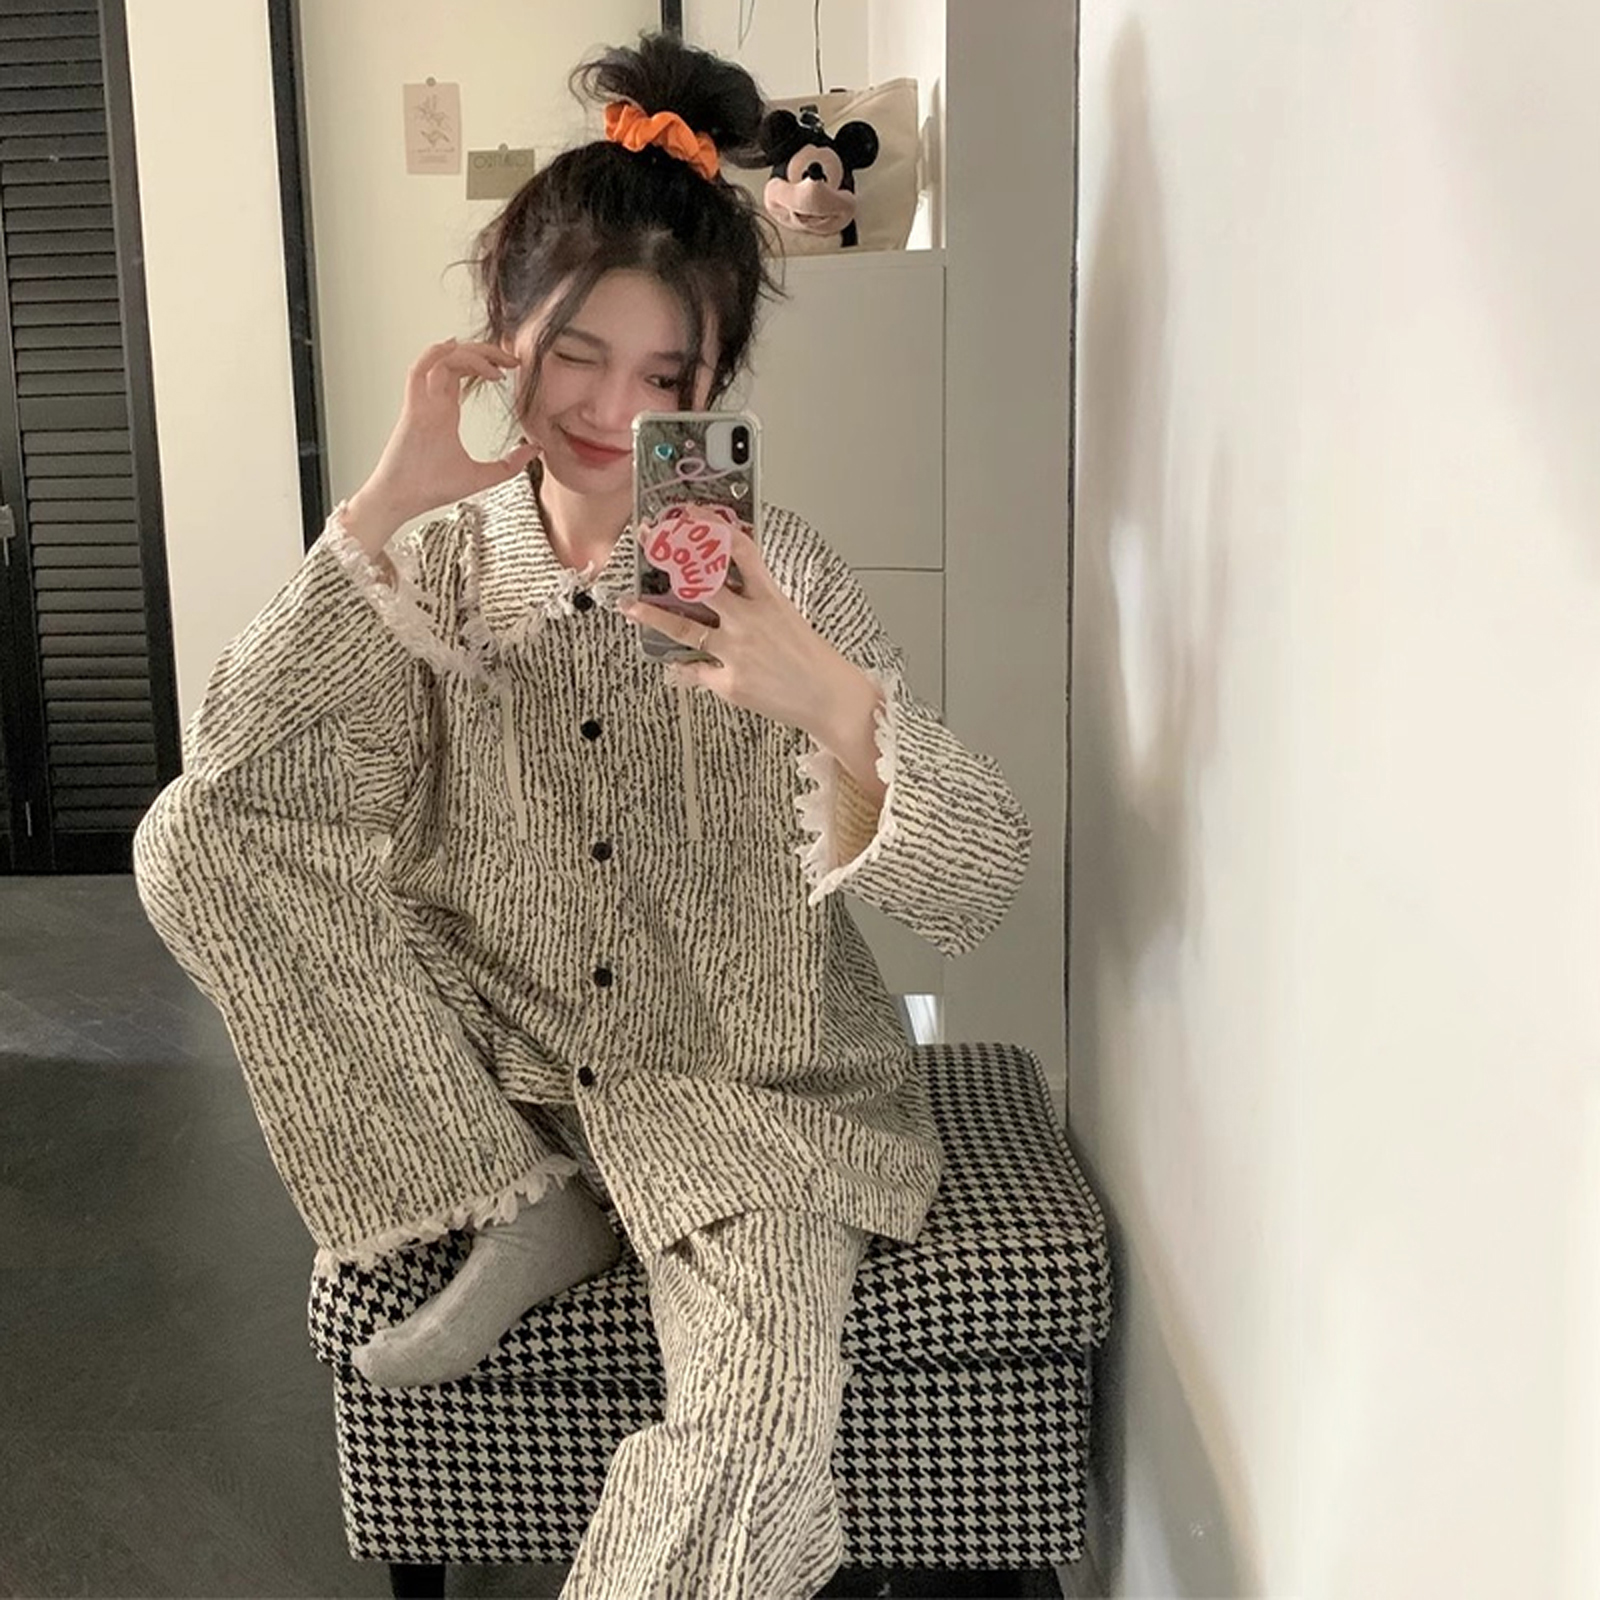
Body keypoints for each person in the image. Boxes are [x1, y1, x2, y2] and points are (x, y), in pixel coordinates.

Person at [132, 29, 1031, 1599]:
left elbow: (982, 886)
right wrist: (381, 509)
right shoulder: (430, 570)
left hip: (757, 1101)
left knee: (754, 1432)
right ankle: (516, 1202)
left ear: (713, 386)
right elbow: (236, 791)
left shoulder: (772, 578)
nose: (617, 409)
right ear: (504, 340)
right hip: (509, 1077)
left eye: (669, 377)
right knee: (187, 836)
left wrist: (831, 701)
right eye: (578, 357)